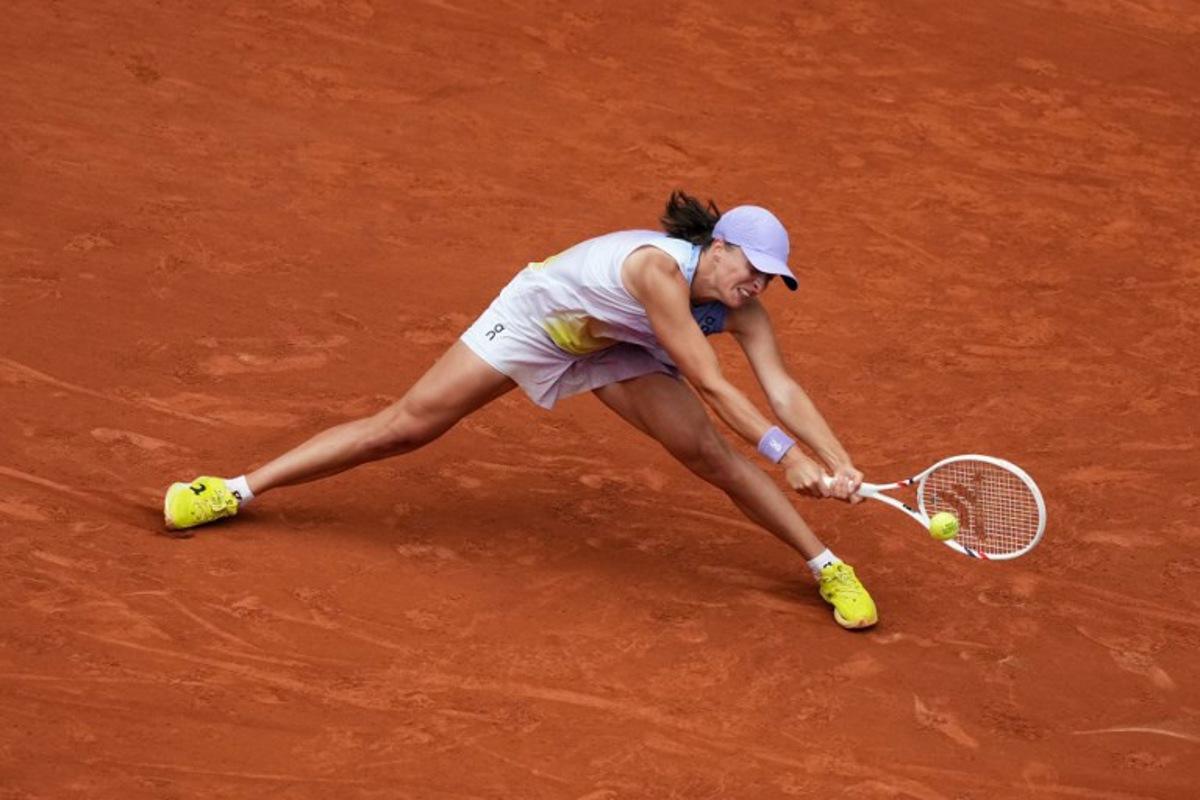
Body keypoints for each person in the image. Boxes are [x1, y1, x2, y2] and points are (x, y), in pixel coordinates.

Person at [163, 191, 878, 629]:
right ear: (717, 249)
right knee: (406, 427)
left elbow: (782, 390)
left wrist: (838, 461)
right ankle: (231, 490)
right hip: (544, 319)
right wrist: (790, 458)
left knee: (708, 457)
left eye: (769, 278)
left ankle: (825, 566)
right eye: (750, 269)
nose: (757, 286)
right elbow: (716, 386)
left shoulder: (738, 307)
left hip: (620, 347)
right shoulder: (658, 272)